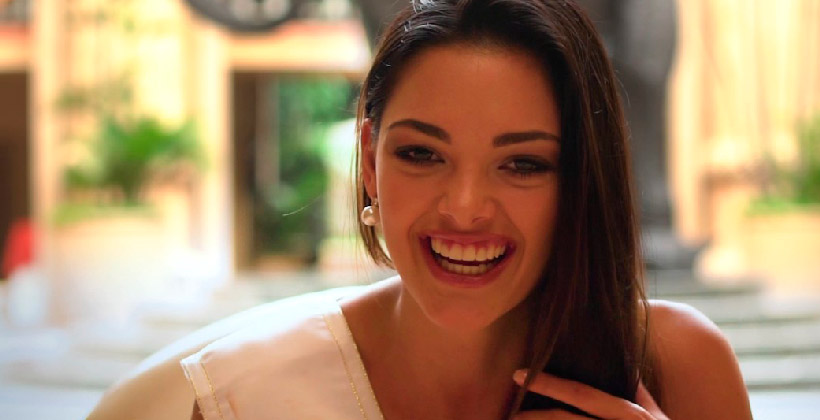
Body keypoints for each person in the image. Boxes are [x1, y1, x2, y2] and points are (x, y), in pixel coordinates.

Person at [87, 1, 751, 419]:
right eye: (422, 155)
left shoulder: (678, 367)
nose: (464, 208)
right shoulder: (245, 396)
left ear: (581, 179)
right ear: (371, 161)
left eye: (522, 164)